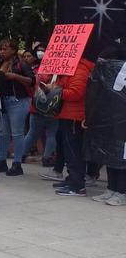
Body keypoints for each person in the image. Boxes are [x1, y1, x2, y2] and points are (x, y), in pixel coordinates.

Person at [51, 55, 95, 196]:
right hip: (68, 115)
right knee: (70, 151)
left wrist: (55, 91)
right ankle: (72, 179)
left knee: (74, 151)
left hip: (75, 117)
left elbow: (76, 93)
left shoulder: (80, 69)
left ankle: (77, 186)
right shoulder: (70, 69)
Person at [88, 44, 126, 205]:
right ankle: (111, 188)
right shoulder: (102, 76)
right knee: (110, 156)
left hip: (122, 124)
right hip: (109, 122)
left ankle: (121, 192)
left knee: (122, 158)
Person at [0, 39, 35, 176]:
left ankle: (17, 163)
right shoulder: (0, 63)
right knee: (3, 133)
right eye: (1, 49)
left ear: (13, 50)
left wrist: (15, 76)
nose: (2, 51)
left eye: (5, 49)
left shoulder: (21, 64)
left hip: (19, 101)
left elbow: (31, 80)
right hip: (4, 101)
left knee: (17, 133)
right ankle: (1, 161)